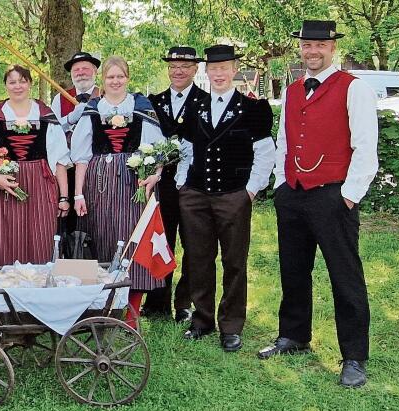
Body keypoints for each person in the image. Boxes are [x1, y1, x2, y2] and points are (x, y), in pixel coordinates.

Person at [259, 20, 378, 387]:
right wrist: (281, 184)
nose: (312, 52)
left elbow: (365, 147)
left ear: (332, 48)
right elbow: (284, 139)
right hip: (293, 192)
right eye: (306, 45)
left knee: (346, 277)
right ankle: (294, 335)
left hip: (332, 194)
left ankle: (354, 356)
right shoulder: (293, 91)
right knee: (294, 271)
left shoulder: (353, 88)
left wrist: (348, 195)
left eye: (319, 46)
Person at [175, 45, 275, 351]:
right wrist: (182, 185)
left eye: (224, 68)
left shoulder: (254, 108)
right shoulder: (195, 107)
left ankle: (231, 325)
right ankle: (202, 320)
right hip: (196, 195)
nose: (218, 74)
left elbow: (265, 152)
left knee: (234, 262)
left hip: (233, 195)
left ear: (234, 70)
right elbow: (185, 149)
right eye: (213, 69)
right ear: (207, 72)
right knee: (199, 258)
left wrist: (250, 190)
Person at [71, 55, 166, 326]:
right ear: (103, 80)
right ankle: (104, 309)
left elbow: (158, 150)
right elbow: (81, 157)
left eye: (120, 76)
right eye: (110, 77)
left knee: (132, 242)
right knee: (102, 240)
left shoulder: (141, 107)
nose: (115, 81)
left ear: (127, 78)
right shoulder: (92, 110)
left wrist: (154, 178)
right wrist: (78, 194)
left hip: (133, 181)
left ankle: (131, 314)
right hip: (98, 183)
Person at [0, 65, 71, 266]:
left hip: (40, 183)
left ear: (30, 83)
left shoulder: (45, 114)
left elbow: (60, 159)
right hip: (3, 185)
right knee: (5, 237)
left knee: (40, 235)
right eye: (12, 82)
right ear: (6, 85)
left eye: (22, 81)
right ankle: (2, 290)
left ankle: (39, 290)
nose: (18, 86)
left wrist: (63, 197)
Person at [143, 46, 204, 323]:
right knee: (161, 240)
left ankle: (185, 303)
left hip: (195, 183)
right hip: (162, 182)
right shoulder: (153, 102)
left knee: (193, 244)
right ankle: (157, 303)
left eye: (185, 66)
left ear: (195, 69)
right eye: (173, 66)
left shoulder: (206, 100)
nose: (178, 70)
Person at [51, 52, 101, 237]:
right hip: (68, 167)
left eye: (85, 68)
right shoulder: (60, 98)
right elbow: (53, 130)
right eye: (76, 69)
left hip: (95, 165)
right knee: (67, 217)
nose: (81, 73)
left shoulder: (103, 94)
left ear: (95, 71)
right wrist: (69, 119)